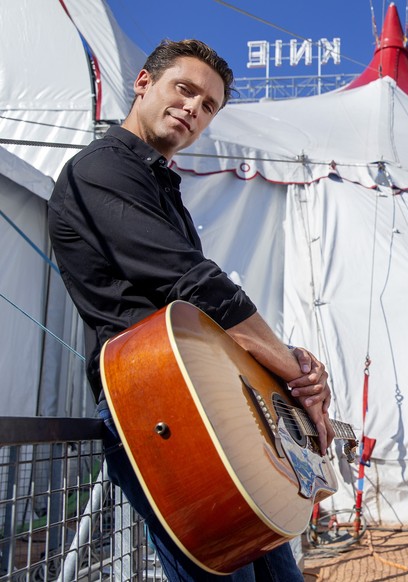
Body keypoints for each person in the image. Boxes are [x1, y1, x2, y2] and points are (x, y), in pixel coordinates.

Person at [48, 39, 333, 581]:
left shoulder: (159, 184)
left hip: (200, 401)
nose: (194, 110)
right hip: (154, 402)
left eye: (209, 107)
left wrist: (284, 367)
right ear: (142, 83)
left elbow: (193, 314)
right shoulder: (100, 169)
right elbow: (194, 283)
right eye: (185, 89)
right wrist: (296, 371)